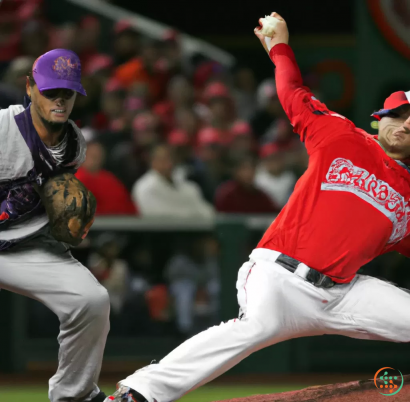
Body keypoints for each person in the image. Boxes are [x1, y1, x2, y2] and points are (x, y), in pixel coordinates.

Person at [104, 12, 410, 402]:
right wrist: (279, 47)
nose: (405, 124)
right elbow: (292, 92)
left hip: (343, 294)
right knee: (254, 327)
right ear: (378, 119)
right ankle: (137, 393)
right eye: (398, 114)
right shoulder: (340, 135)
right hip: (280, 278)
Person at [0, 49, 109, 402]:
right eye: (50, 91)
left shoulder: (75, 145)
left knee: (91, 300)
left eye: (67, 93)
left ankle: (73, 395)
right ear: (30, 88)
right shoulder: (3, 128)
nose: (59, 100)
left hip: (27, 248)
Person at [132, 144, 214, 219]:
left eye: (171, 158)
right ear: (153, 162)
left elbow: (207, 211)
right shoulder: (144, 187)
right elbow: (156, 216)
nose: (169, 164)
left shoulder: (188, 186)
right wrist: (191, 215)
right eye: (163, 159)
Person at [215, 156, 279, 214]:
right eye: (244, 169)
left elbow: (274, 213)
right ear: (236, 171)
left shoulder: (261, 197)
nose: (249, 173)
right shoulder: (226, 194)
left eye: (252, 169)